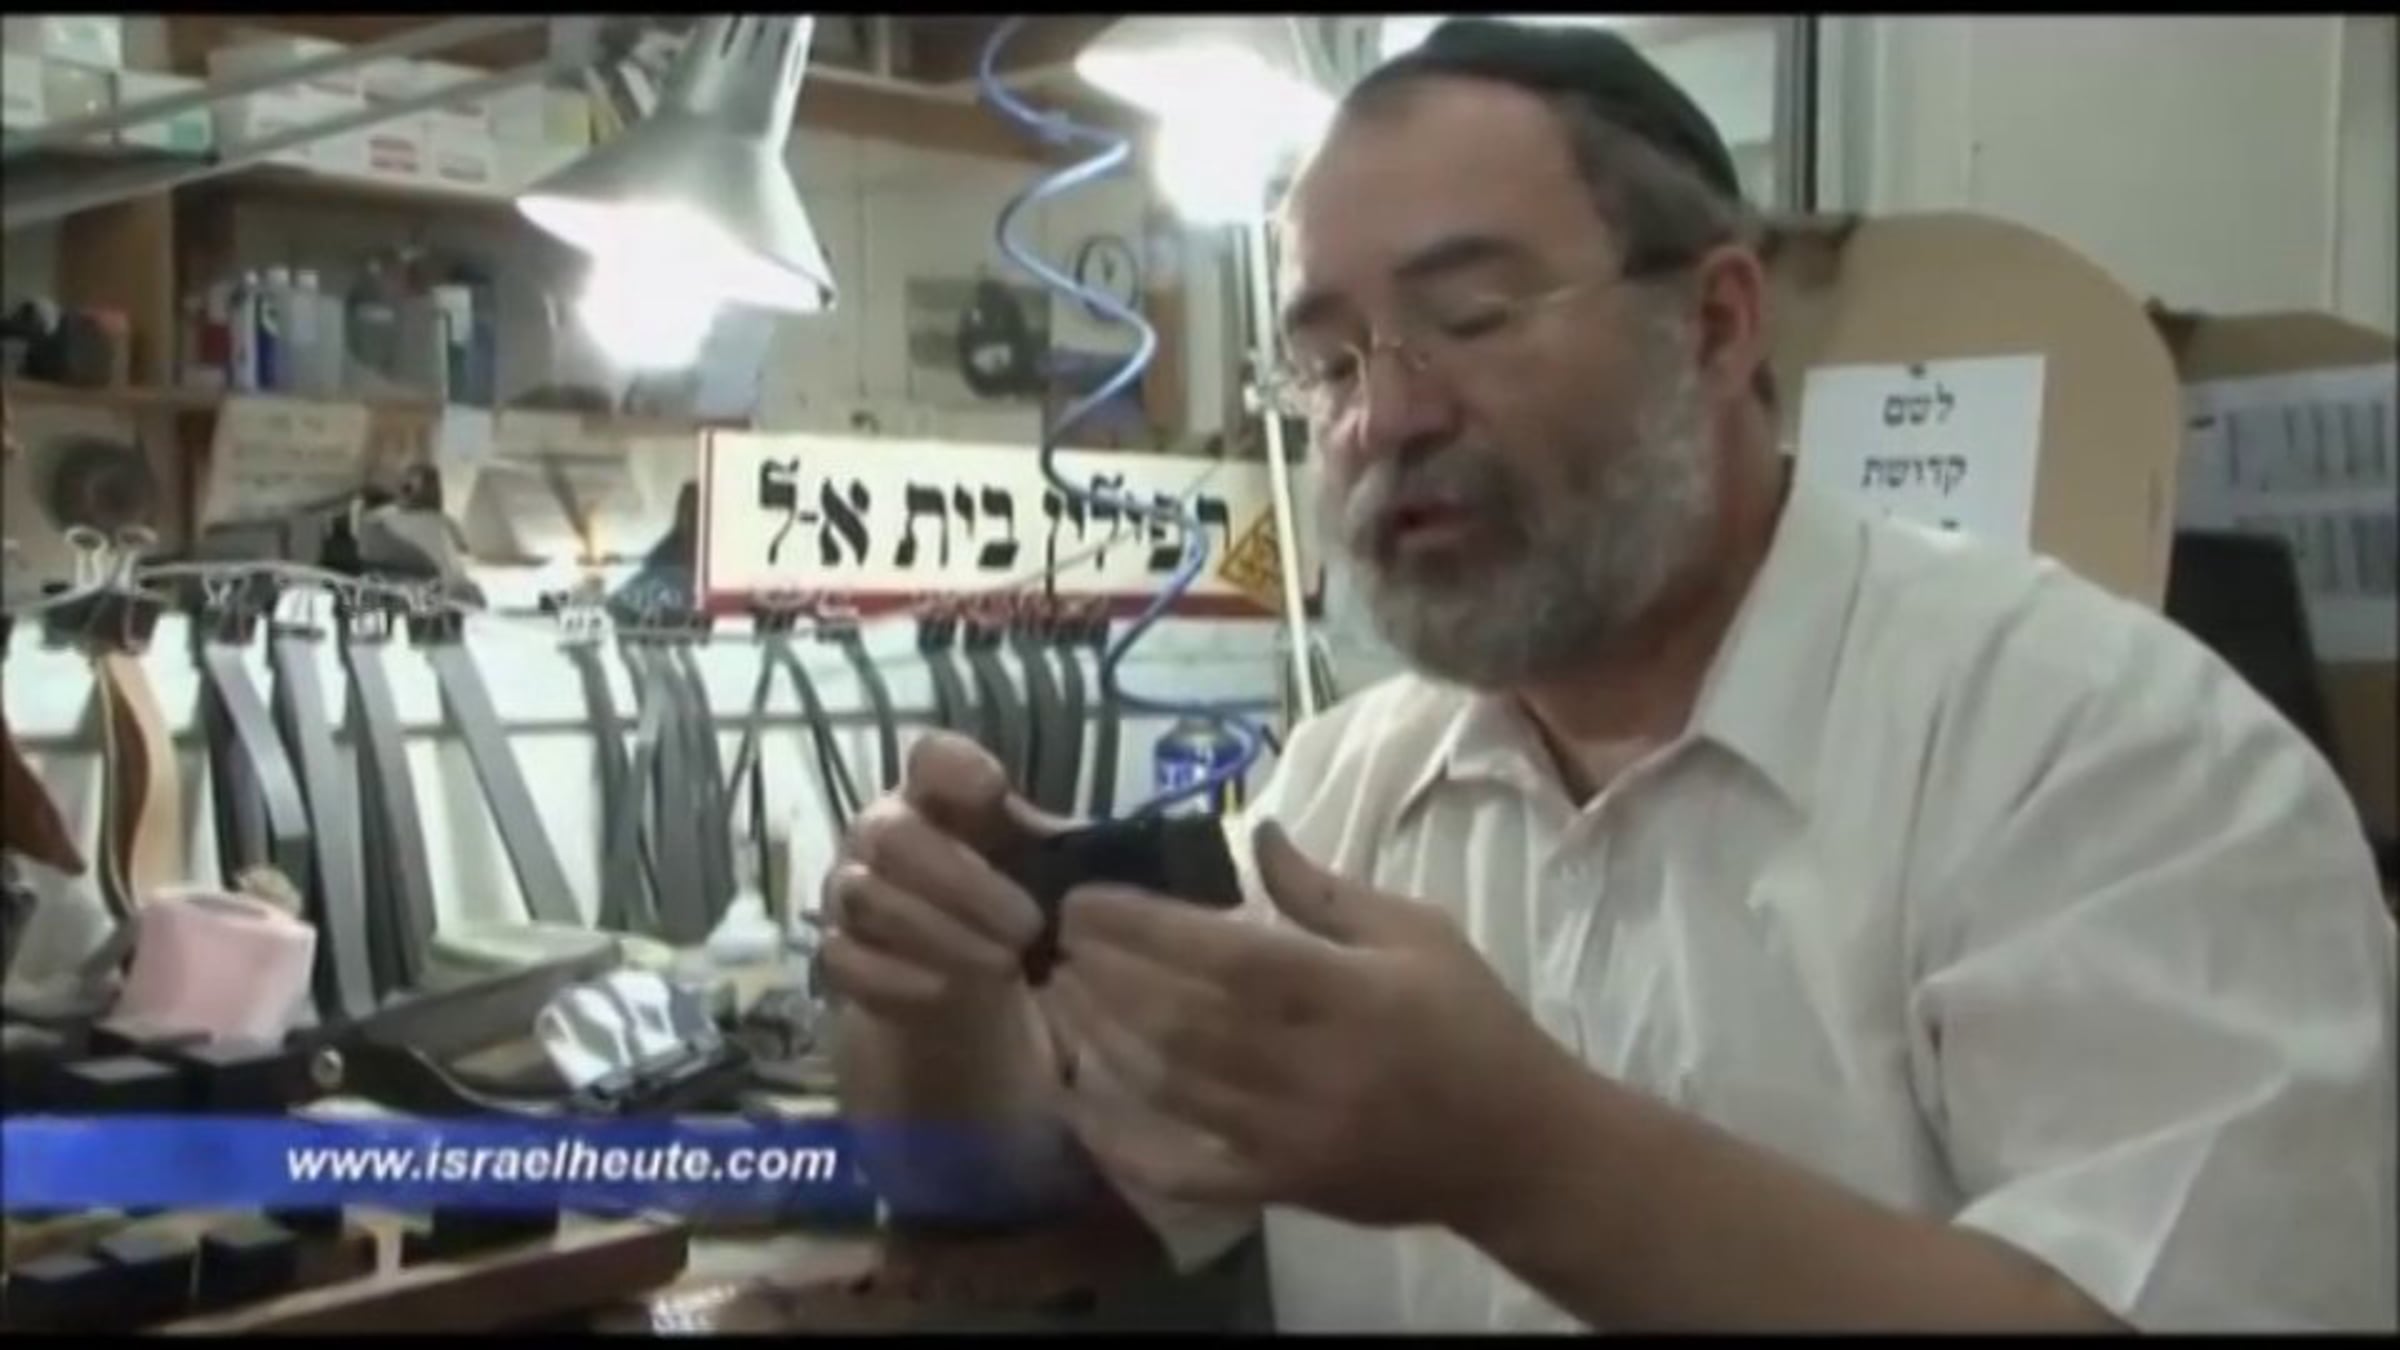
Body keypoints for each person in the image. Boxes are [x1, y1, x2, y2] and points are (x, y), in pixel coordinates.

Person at [819, 18, 2398, 1333]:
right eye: (1327, 359)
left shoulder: (2113, 758)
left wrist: (1522, 1157)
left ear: (1715, 326)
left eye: (1469, 317)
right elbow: (1010, 1179)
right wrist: (936, 988)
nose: (1385, 416)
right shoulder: (1344, 790)